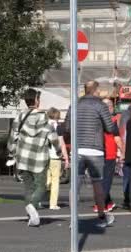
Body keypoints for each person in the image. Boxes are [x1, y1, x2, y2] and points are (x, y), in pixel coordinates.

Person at [65, 81, 116, 228]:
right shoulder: (100, 105)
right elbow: (110, 128)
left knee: (75, 185)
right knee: (97, 183)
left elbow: (67, 127)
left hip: (77, 149)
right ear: (96, 91)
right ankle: (101, 216)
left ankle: (73, 218)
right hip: (95, 149)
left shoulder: (74, 105)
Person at [7, 89, 62, 226]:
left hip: (23, 158)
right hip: (39, 159)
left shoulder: (19, 118)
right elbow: (54, 139)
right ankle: (32, 207)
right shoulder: (45, 120)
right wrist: (59, 152)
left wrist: (13, 152)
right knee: (41, 187)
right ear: (37, 100)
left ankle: (31, 215)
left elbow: (12, 137)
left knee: (28, 188)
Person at [96, 98, 123, 213]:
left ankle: (109, 202)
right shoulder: (111, 121)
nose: (113, 108)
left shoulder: (95, 120)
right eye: (112, 106)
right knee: (106, 181)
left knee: (100, 180)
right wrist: (123, 152)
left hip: (97, 154)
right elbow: (117, 139)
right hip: (109, 154)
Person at [46, 108, 69, 210]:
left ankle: (39, 201)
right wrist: (66, 158)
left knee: (45, 179)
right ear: (57, 117)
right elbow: (62, 144)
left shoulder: (43, 126)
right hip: (56, 157)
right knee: (55, 181)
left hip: (44, 157)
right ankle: (53, 204)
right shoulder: (58, 128)